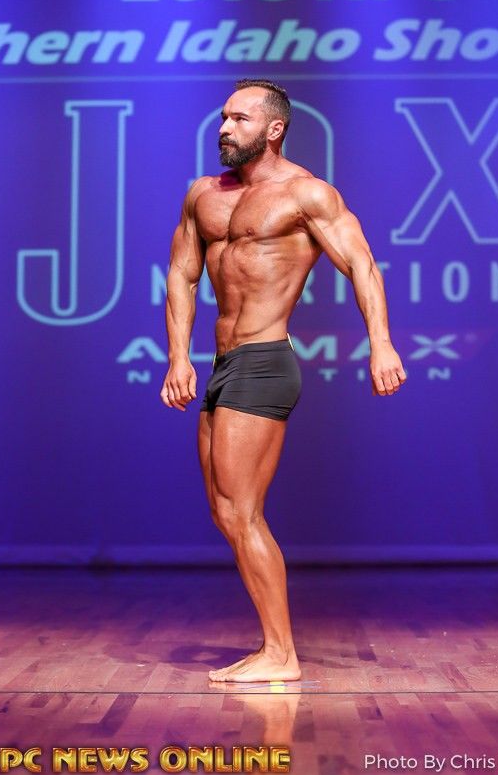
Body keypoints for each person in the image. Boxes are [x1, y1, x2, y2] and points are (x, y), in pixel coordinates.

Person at [160, 79, 406, 683]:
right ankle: (273, 648)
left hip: (265, 360)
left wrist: (380, 343)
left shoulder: (306, 194)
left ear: (274, 129)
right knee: (224, 512)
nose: (224, 127)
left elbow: (361, 264)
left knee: (243, 512)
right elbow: (182, 274)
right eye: (223, 117)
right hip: (222, 365)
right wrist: (178, 357)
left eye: (239, 119)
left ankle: (280, 653)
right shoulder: (203, 195)